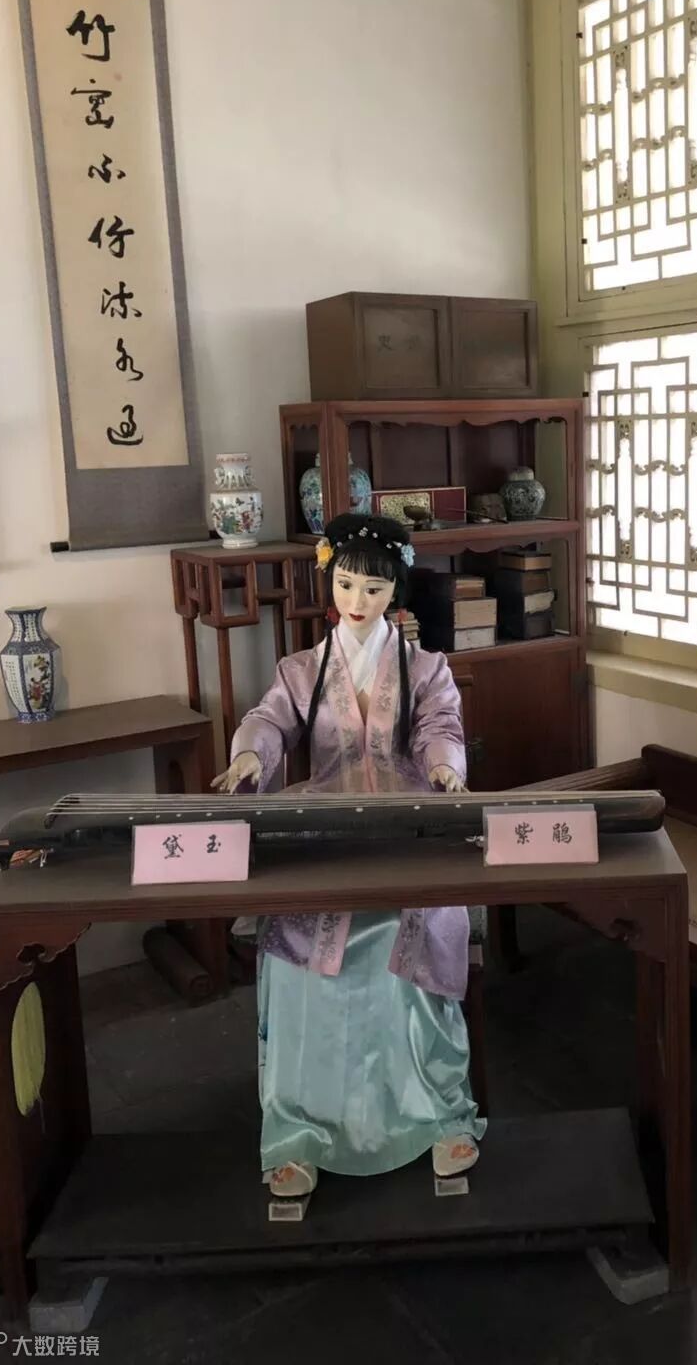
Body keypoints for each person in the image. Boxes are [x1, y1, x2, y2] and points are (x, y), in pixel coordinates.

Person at [213, 511, 484, 1208]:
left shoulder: (425, 668)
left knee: (411, 931)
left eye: (373, 588)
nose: (357, 600)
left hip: (406, 837)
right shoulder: (303, 669)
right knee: (296, 943)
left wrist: (444, 766)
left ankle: (437, 1114)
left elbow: (442, 726)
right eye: (345, 585)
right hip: (325, 836)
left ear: (395, 591)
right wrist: (250, 754)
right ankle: (300, 1129)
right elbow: (269, 719)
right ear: (328, 582)